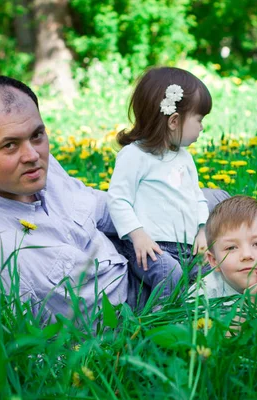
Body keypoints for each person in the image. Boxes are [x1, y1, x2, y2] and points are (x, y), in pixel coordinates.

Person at [0, 75, 227, 323]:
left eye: (37, 136)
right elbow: (43, 343)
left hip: (133, 247)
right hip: (132, 306)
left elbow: (99, 207)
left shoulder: (26, 168)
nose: (32, 155)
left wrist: (145, 229)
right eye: (9, 145)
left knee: (223, 205)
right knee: (234, 270)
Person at [107, 67, 213, 301]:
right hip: (150, 247)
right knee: (169, 273)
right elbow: (118, 199)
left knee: (211, 274)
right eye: (200, 120)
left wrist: (202, 231)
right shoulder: (134, 156)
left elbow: (197, 197)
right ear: (174, 121)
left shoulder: (185, 158)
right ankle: (162, 321)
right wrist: (138, 235)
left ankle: (209, 317)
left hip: (188, 248)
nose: (202, 127)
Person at [190, 196, 257, 309]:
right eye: (231, 247)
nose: (247, 255)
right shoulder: (203, 294)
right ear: (214, 260)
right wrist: (253, 300)